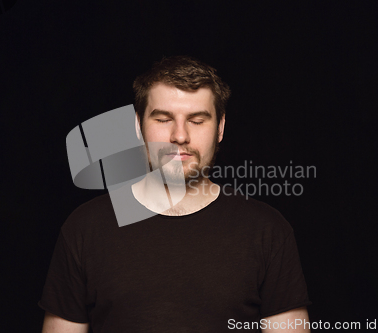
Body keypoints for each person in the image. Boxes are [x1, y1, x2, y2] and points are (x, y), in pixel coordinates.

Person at [39, 55, 311, 332]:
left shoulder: (267, 231)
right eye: (163, 118)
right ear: (138, 126)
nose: (179, 136)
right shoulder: (85, 228)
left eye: (196, 120)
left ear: (220, 128)